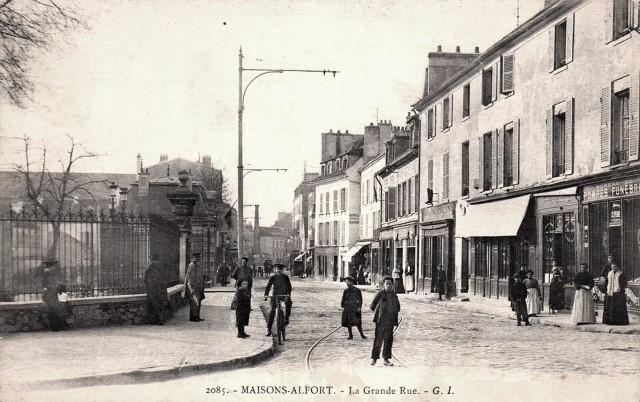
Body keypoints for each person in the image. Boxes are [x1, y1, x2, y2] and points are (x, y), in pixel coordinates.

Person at [370, 276, 401, 367]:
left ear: (392, 285)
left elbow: (398, 307)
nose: (388, 286)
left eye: (390, 284)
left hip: (390, 322)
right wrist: (378, 311)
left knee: (388, 340)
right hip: (380, 321)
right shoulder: (380, 294)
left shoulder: (394, 295)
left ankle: (386, 359)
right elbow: (372, 305)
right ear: (384, 285)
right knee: (378, 340)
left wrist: (393, 312)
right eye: (387, 284)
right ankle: (374, 358)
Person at [264, 263, 292, 336]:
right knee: (272, 311)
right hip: (275, 295)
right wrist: (266, 294)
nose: (278, 270)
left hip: (284, 295)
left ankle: (286, 318)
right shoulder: (273, 278)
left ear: (282, 270)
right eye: (277, 269)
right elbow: (268, 286)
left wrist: (288, 294)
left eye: (280, 269)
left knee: (289, 303)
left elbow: (289, 286)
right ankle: (268, 329)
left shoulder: (285, 277)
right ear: (275, 270)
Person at [41, 259, 68, 331]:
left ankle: (60, 324)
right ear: (51, 266)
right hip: (51, 294)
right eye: (53, 265)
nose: (54, 267)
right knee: (54, 309)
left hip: (54, 294)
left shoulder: (50, 273)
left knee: (61, 306)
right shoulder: (47, 273)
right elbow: (47, 285)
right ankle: (56, 326)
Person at [144, 254, 169, 325]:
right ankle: (158, 321)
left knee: (154, 306)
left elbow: (146, 281)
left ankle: (154, 321)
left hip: (153, 290)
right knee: (158, 305)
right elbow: (161, 280)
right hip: (157, 290)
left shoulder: (149, 269)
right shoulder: (157, 268)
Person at [183, 252, 205, 322]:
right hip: (194, 287)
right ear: (194, 258)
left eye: (199, 257)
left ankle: (197, 316)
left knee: (198, 302)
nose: (198, 258)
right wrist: (192, 287)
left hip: (199, 287)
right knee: (194, 302)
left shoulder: (197, 266)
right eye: (196, 257)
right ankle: (194, 317)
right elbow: (190, 278)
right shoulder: (192, 266)